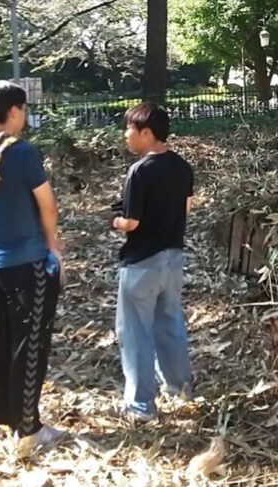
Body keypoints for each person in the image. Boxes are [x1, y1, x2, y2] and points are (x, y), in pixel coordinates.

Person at [0, 81, 65, 448]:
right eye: (22, 109)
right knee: (30, 344)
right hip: (27, 263)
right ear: (12, 112)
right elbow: (48, 204)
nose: (24, 116)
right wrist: (53, 246)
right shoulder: (22, 152)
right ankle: (29, 428)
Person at [111, 102, 194, 422]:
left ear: (147, 133)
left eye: (129, 129)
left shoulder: (140, 170)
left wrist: (114, 221)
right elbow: (185, 208)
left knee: (135, 333)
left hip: (142, 261)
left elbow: (131, 222)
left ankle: (141, 405)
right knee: (169, 321)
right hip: (173, 256)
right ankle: (181, 387)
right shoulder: (182, 166)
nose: (126, 135)